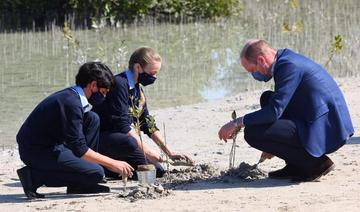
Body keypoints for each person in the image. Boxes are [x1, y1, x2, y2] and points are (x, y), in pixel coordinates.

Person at [218, 39, 354, 182]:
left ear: (261, 60)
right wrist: (274, 144)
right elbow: (276, 106)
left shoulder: (288, 66)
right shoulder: (284, 60)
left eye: (252, 70)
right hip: (317, 116)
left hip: (327, 128)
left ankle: (316, 164)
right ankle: (295, 165)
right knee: (267, 98)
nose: (254, 75)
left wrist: (236, 122)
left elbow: (273, 112)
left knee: (253, 132)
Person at [16, 62, 134, 199]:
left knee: (92, 119)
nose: (104, 97)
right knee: (96, 172)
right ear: (93, 85)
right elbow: (80, 149)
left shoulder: (73, 96)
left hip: (52, 143)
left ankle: (80, 184)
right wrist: (114, 163)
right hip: (35, 150)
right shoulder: (71, 103)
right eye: (103, 92)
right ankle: (33, 177)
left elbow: (76, 141)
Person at [92, 47, 193, 178]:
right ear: (138, 67)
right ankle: (104, 167)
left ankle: (116, 167)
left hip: (121, 140)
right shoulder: (118, 84)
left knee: (157, 171)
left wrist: (170, 153)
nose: (154, 77)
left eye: (156, 73)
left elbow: (147, 123)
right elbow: (122, 126)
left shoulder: (137, 89)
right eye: (151, 73)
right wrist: (148, 152)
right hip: (102, 139)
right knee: (139, 156)